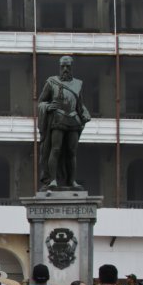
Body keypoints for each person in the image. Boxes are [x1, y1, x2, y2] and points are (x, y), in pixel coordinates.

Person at [37, 54, 91, 190]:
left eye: (68, 66)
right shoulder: (51, 82)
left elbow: (80, 104)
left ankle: (71, 181)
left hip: (73, 119)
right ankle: (53, 180)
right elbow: (41, 102)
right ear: (59, 67)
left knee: (72, 152)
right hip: (58, 118)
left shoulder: (78, 84)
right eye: (63, 66)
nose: (65, 69)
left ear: (72, 67)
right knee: (55, 149)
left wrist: (84, 113)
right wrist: (47, 107)